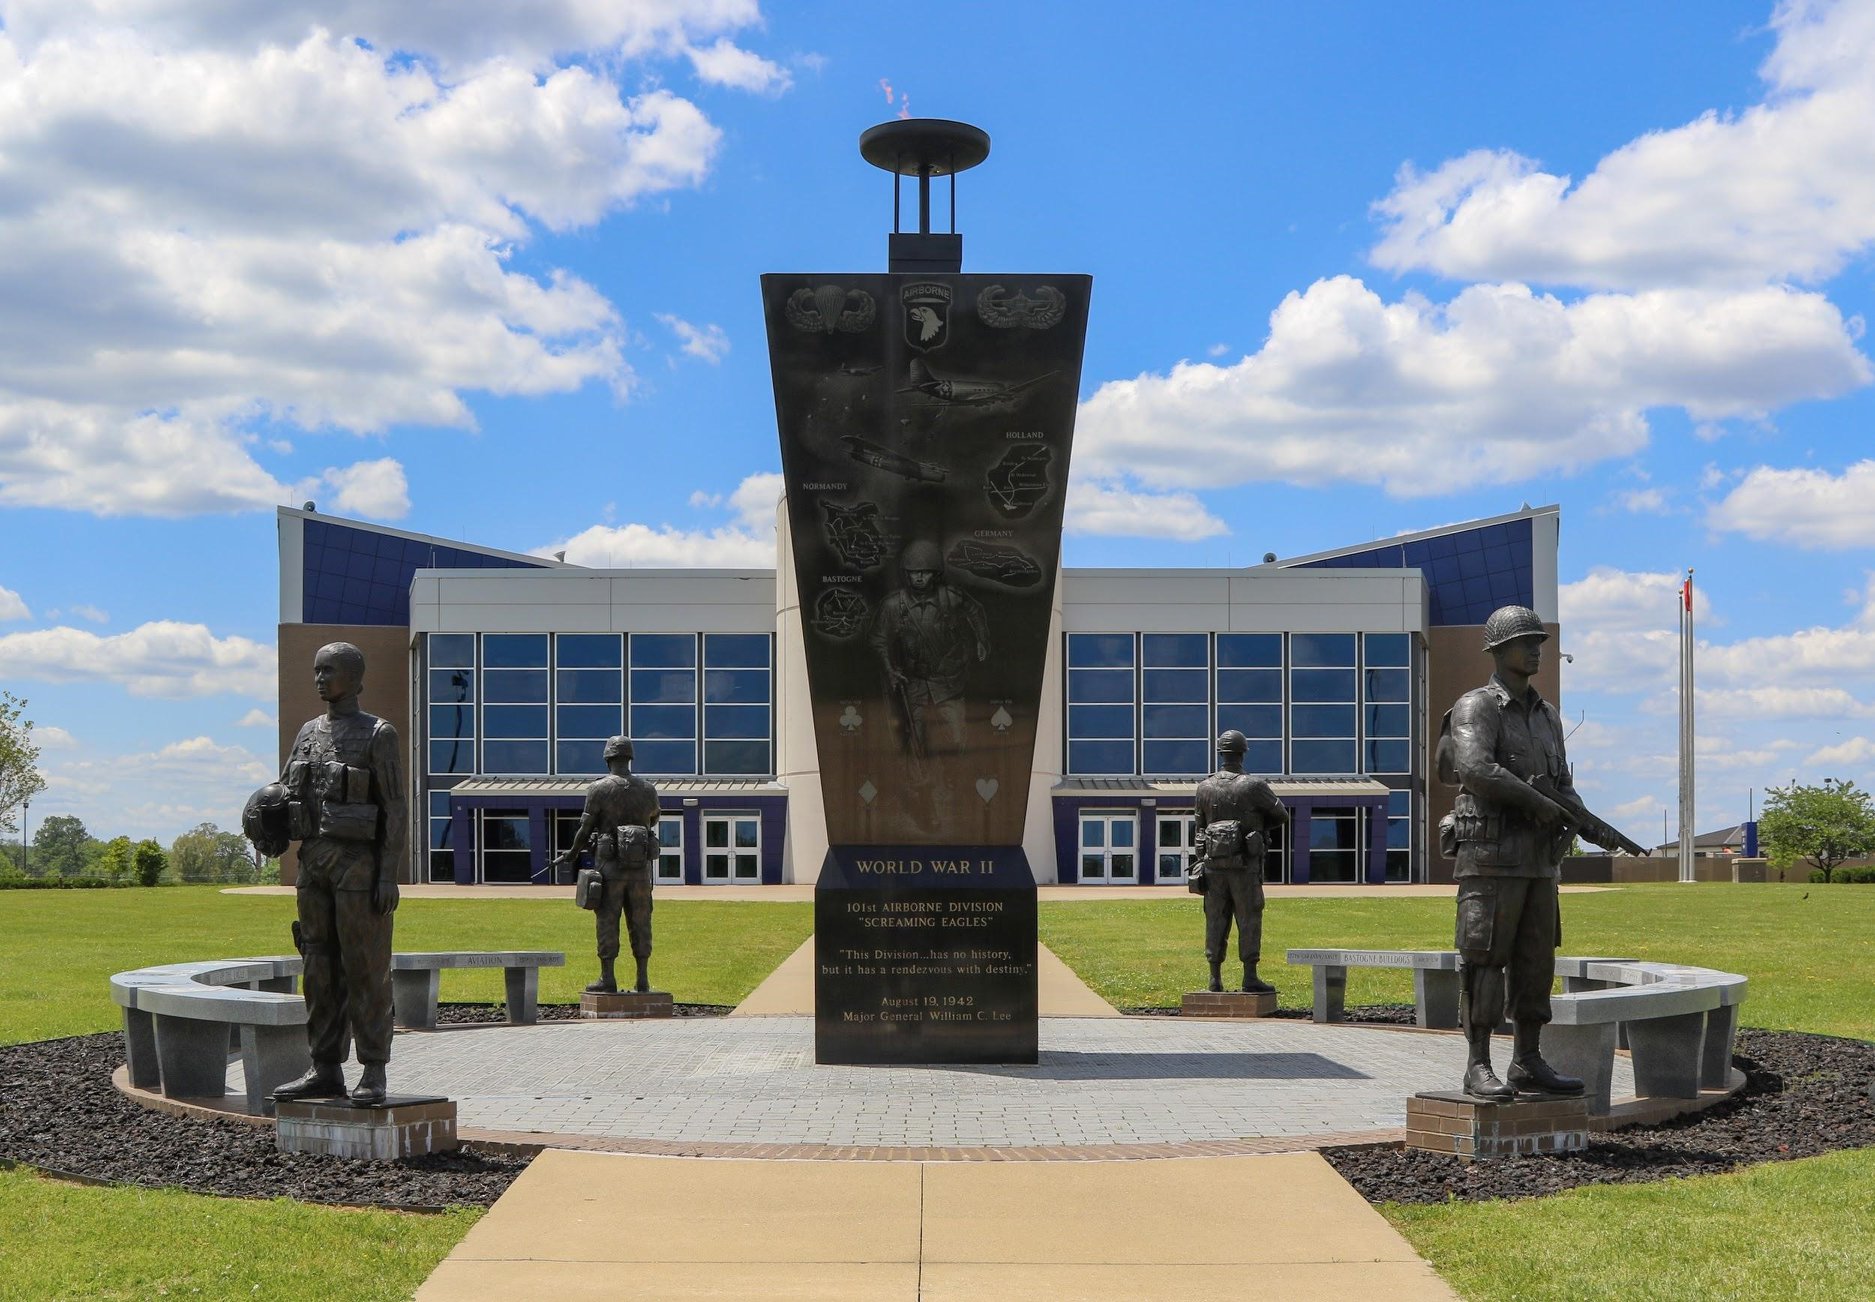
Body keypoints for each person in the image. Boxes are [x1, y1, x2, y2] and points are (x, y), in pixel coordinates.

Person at [1441, 604, 1641, 1100]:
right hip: (1489, 858)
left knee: (1536, 964)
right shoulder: (1477, 707)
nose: (1536, 650)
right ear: (1499, 649)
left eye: (1539, 643)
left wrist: (1590, 824)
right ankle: (1477, 1063)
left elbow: (1562, 788)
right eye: (1526, 642)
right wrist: (1539, 805)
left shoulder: (1548, 715)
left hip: (1537, 862)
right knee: (1484, 959)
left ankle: (1527, 1059)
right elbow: (1474, 769)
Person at [257, 643, 404, 1105]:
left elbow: (395, 808)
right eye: (316, 671)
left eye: (330, 671)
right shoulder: (307, 732)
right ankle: (324, 1068)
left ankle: (374, 1070)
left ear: (355, 679)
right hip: (314, 864)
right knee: (318, 968)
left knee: (365, 967)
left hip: (359, 867)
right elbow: (284, 792)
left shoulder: (379, 733)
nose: (320, 679)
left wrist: (387, 874)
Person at [552, 736, 660, 993]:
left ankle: (607, 978)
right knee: (641, 920)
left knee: (607, 920)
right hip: (640, 871)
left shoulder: (599, 789)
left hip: (609, 869)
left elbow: (584, 828)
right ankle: (642, 979)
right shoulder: (648, 789)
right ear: (630, 757)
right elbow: (653, 819)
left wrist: (572, 853)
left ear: (607, 758)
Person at [869, 539, 989, 759]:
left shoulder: (950, 597)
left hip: (948, 680)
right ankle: (922, 783)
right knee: (916, 740)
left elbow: (975, 610)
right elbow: (879, 640)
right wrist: (890, 671)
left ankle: (954, 775)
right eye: (915, 572)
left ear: (935, 573)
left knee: (956, 737)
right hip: (913, 681)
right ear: (907, 574)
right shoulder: (893, 606)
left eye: (925, 572)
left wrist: (982, 640)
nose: (920, 577)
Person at [1194, 730, 1290, 994]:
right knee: (1248, 918)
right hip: (1245, 867)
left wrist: (1201, 859)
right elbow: (1281, 815)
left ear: (1220, 753)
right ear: (1243, 752)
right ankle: (1250, 976)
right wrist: (1258, 831)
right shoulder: (1253, 785)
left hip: (1214, 866)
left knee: (1215, 918)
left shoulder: (1204, 787)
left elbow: (1199, 829)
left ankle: (1214, 978)